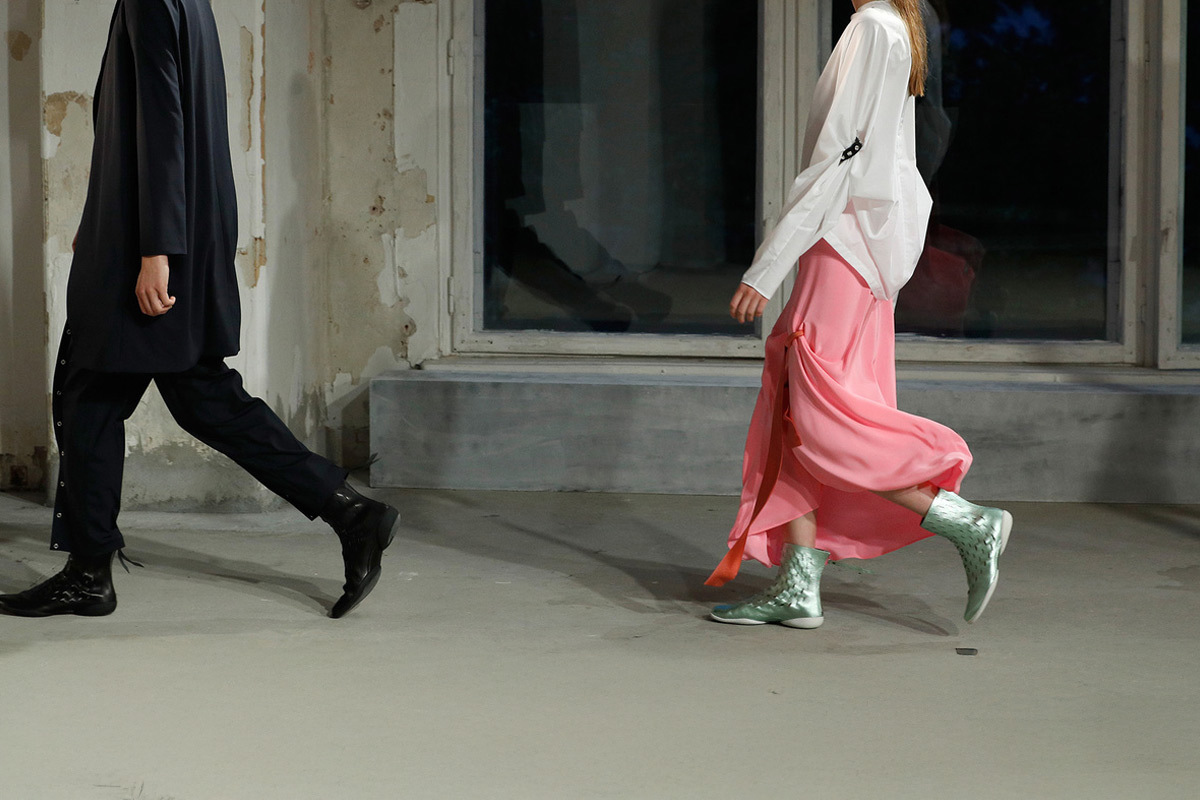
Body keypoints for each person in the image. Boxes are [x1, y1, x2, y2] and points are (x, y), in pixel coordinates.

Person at [0, 0, 397, 620]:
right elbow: (154, 126)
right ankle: (349, 511)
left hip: (157, 245)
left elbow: (163, 127)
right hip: (169, 232)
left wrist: (155, 251)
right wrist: (101, 217)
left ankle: (88, 572)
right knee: (195, 398)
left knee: (93, 395)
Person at [707, 0, 1011, 628]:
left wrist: (768, 265)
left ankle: (966, 520)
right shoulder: (895, 28)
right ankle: (798, 586)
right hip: (860, 247)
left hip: (844, 244)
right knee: (797, 406)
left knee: (819, 415)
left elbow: (841, 159)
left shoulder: (875, 27)